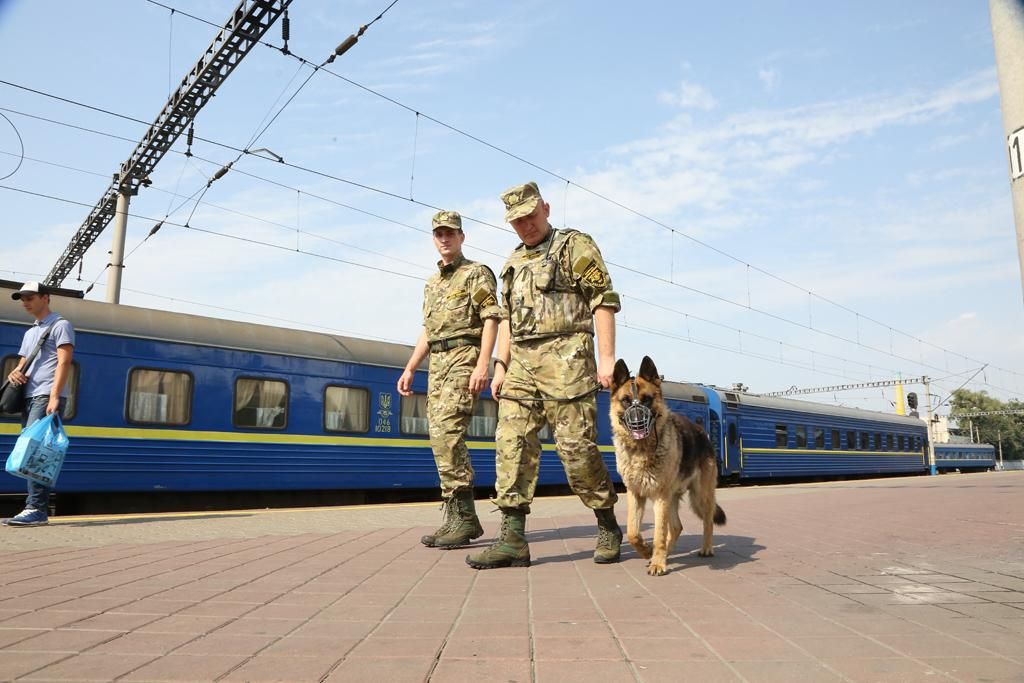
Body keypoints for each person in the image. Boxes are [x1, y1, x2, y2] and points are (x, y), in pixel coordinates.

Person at [466, 181, 623, 569]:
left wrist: (607, 359)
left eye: (530, 216)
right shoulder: (512, 262)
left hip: (568, 359)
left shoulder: (573, 245)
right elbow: (507, 320)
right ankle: (512, 539)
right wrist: (500, 366)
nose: (525, 226)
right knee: (511, 443)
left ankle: (607, 523)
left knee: (576, 450)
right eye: (517, 221)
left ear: (546, 209)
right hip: (521, 365)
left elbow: (602, 300)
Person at [397, 210, 503, 548]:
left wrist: (483, 364)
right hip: (438, 365)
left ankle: (466, 518)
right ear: (434, 238)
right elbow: (428, 331)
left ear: (461, 237)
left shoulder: (476, 273)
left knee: (448, 433)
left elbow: (491, 318)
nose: (444, 238)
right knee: (439, 436)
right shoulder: (432, 283)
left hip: (463, 358)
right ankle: (456, 515)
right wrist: (411, 367)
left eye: (450, 233)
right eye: (439, 234)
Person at [3, 281, 75, 527]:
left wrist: (55, 396)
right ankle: (34, 507)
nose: (25, 302)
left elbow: (64, 362)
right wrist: (15, 372)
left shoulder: (61, 325)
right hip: (29, 395)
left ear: (45, 298)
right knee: (31, 449)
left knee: (35, 451)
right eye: (22, 298)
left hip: (46, 395)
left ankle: (36, 508)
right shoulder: (30, 332)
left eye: (30, 297)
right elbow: (23, 363)